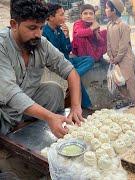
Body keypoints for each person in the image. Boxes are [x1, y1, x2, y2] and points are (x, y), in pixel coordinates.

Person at [0, 0, 84, 138]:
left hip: (25, 105)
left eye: (41, 27)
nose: (38, 34)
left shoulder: (41, 43)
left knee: (54, 90)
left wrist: (75, 106)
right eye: (32, 28)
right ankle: (8, 136)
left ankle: (24, 129)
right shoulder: (2, 46)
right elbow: (11, 93)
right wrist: (50, 116)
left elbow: (71, 72)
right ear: (14, 25)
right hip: (3, 110)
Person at [43, 3, 94, 109]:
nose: (64, 17)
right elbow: (52, 54)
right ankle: (87, 105)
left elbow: (68, 49)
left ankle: (73, 75)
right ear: (51, 17)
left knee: (89, 60)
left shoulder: (59, 30)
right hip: (57, 64)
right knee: (76, 79)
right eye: (61, 15)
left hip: (67, 60)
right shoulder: (44, 32)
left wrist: (66, 36)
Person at [105, 0, 135, 105]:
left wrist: (117, 58)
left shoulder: (123, 26)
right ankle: (127, 100)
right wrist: (110, 55)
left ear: (114, 10)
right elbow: (108, 43)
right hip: (115, 59)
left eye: (107, 8)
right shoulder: (109, 25)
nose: (105, 10)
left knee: (129, 81)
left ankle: (134, 101)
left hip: (125, 58)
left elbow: (124, 45)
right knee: (118, 81)